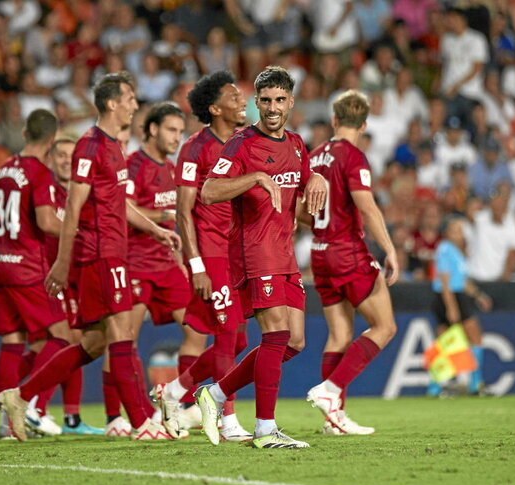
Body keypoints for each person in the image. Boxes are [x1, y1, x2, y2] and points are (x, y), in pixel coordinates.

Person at [0, 72, 180, 442]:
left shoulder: (115, 147)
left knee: (95, 344)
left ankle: (20, 395)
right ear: (113, 103)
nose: (134, 104)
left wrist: (155, 229)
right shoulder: (91, 145)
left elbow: (119, 203)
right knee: (121, 334)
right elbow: (74, 204)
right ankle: (142, 422)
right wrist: (62, 263)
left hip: (115, 251)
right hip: (98, 253)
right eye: (129, 98)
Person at [194, 66, 327, 449]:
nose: (272, 107)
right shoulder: (241, 143)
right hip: (254, 251)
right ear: (256, 103)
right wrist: (253, 178)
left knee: (296, 341)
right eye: (265, 100)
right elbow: (210, 191)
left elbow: (300, 201)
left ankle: (215, 396)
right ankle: (265, 429)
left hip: (284, 253)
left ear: (291, 103)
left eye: (279, 100)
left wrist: (316, 179)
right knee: (276, 335)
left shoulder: (298, 145)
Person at [150, 71, 252, 443]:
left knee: (239, 342)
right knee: (227, 337)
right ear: (214, 108)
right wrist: (196, 265)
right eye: (233, 95)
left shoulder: (245, 141)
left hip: (238, 253)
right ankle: (227, 420)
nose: (242, 99)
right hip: (210, 253)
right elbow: (183, 211)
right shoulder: (195, 148)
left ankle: (174, 393)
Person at [0, 109, 72, 439]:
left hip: (0, 264)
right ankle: (23, 408)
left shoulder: (5, 168)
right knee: (65, 336)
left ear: (24, 133)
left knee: (15, 342)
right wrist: (84, 230)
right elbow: (48, 222)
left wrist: (7, 238)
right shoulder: (39, 173)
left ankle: (2, 420)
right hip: (27, 268)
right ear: (51, 141)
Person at [304, 90, 398, 435]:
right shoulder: (354, 157)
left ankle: (334, 419)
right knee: (385, 326)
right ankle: (330, 393)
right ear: (364, 124)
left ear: (334, 120)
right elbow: (367, 206)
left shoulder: (314, 157)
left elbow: (304, 210)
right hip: (347, 250)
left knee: (340, 334)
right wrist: (389, 248)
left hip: (319, 250)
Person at [124, 102, 206, 438]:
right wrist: (158, 219)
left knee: (197, 330)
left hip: (165, 264)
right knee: (123, 340)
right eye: (172, 130)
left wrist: (183, 264)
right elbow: (124, 206)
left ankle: (182, 406)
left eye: (181, 131)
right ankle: (131, 416)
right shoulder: (133, 165)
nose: (177, 137)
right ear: (153, 129)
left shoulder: (171, 169)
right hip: (135, 263)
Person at [19, 138, 105, 437]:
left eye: (72, 155)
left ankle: (69, 417)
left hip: (77, 276)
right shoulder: (44, 189)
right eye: (61, 155)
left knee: (73, 342)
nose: (67, 160)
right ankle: (31, 406)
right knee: (65, 340)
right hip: (48, 275)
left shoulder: (82, 190)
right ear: (51, 158)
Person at [429, 218, 492, 396]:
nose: (460, 233)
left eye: (461, 230)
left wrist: (478, 295)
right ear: (448, 233)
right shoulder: (444, 250)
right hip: (449, 297)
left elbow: (462, 280)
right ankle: (475, 384)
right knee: (475, 337)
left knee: (443, 343)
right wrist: (452, 307)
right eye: (455, 230)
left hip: (453, 296)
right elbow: (445, 281)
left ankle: (435, 387)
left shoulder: (457, 252)